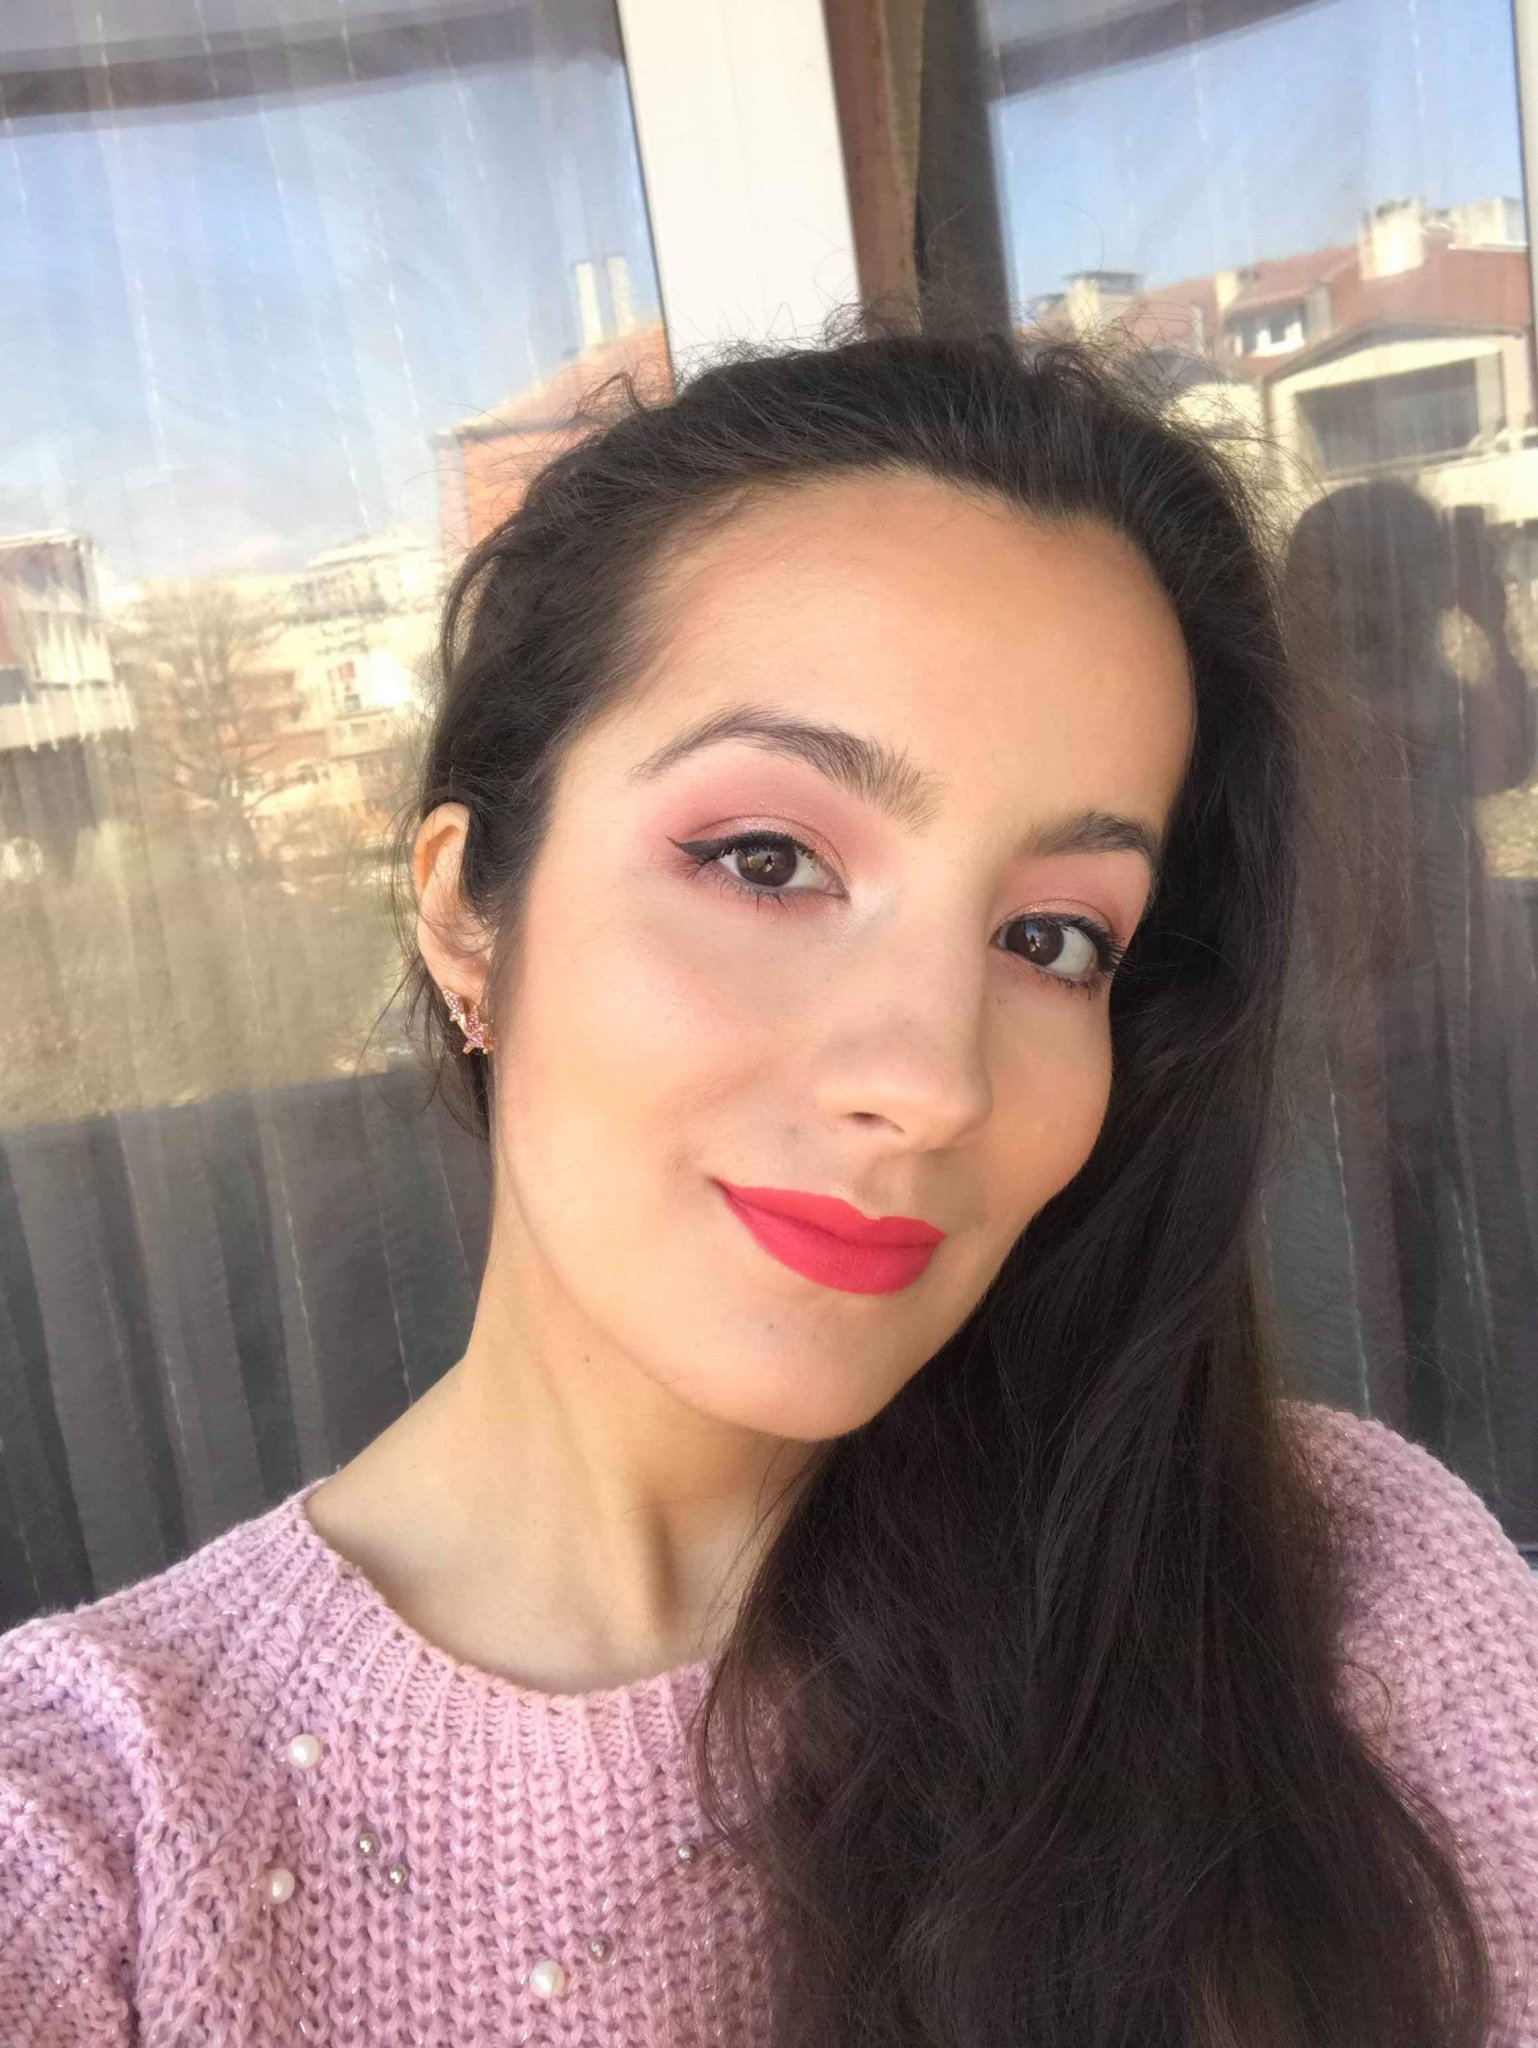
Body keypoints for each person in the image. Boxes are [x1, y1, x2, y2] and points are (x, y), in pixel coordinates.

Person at [2, 316, 1535, 2048]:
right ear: (464, 912)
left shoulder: (1344, 1597)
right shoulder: (92, 1840)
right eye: (766, 858)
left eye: (1051, 938)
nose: (931, 1080)